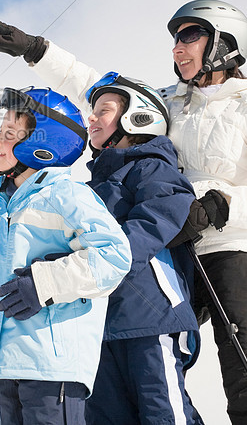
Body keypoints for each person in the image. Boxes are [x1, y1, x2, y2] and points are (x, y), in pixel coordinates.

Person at [0, 0, 247, 425]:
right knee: (152, 358)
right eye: (174, 39)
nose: (176, 49)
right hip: (166, 256)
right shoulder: (168, 102)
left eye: (189, 37)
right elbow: (99, 92)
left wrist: (219, 205)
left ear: (223, 42)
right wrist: (34, 49)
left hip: (229, 251)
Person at [0, 87, 131, 425]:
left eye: (8, 134)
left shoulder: (67, 195)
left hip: (51, 364)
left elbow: (114, 256)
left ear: (41, 146)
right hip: (6, 362)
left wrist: (42, 284)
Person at [80, 72, 205, 424]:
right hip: (98, 326)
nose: (91, 118)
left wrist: (105, 265)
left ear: (138, 115)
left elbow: (155, 221)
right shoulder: (86, 190)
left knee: (163, 414)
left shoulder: (152, 169)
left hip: (150, 317)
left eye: (102, 110)